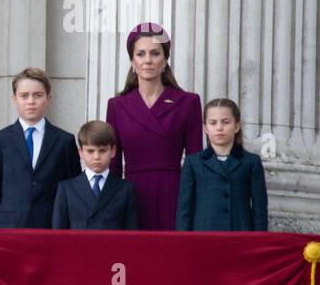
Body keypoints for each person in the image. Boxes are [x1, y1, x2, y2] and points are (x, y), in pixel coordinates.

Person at [105, 22, 202, 230]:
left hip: (174, 195)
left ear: (165, 59)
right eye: (140, 54)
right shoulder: (117, 106)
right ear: (132, 60)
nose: (148, 60)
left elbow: (195, 163)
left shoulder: (188, 102)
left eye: (155, 53)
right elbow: (113, 165)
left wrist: (191, 205)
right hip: (131, 196)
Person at [0, 67, 80, 228]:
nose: (31, 101)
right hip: (9, 228)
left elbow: (72, 189)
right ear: (15, 99)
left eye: (38, 95)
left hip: (49, 227)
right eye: (24, 96)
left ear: (48, 98)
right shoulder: (0, 140)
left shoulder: (64, 141)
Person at [176, 98, 268, 231]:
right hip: (203, 236)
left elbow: (260, 210)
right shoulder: (193, 163)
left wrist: (260, 242)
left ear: (236, 126)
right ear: (206, 128)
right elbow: (184, 209)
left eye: (225, 122)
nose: (219, 128)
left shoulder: (251, 162)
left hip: (240, 236)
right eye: (213, 123)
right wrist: (183, 241)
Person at [52, 121, 139, 230]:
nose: (96, 157)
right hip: (77, 247)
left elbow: (131, 234)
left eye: (102, 151)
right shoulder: (66, 189)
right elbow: (59, 234)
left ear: (112, 151)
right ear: (81, 152)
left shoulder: (125, 189)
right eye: (90, 151)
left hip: (112, 246)